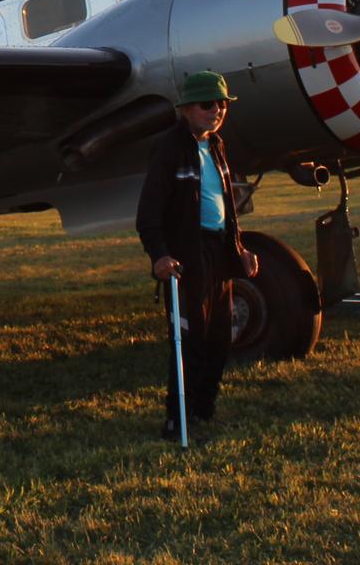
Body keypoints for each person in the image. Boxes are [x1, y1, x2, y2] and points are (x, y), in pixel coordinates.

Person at [134, 70, 260, 443]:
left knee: (220, 338)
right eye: (207, 104)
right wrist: (159, 256)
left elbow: (226, 207)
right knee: (189, 341)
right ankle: (177, 420)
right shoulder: (169, 148)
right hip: (187, 256)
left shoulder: (217, 145)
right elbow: (148, 213)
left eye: (222, 104)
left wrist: (239, 249)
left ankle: (204, 410)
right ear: (187, 108)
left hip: (219, 253)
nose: (216, 111)